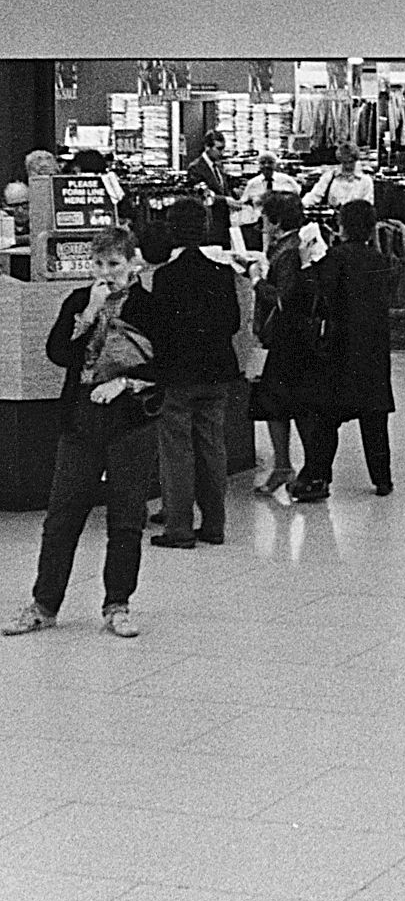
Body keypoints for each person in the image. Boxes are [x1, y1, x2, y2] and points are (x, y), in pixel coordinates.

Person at [4, 226, 162, 639]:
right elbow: (59, 353)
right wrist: (89, 313)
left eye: (114, 264)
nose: (106, 273)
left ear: (133, 263)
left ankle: (117, 604)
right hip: (80, 420)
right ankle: (44, 604)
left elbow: (170, 365)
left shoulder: (151, 307)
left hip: (131, 422)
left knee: (126, 518)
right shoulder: (79, 301)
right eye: (99, 264)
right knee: (62, 516)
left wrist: (127, 382)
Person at [286, 200, 396, 501]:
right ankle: (382, 477)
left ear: (342, 225)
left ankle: (318, 477)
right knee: (375, 419)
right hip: (373, 348)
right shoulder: (379, 258)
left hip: (340, 346)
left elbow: (319, 293)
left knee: (325, 418)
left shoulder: (336, 258)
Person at [148, 198, 241, 546]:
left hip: (177, 374)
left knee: (176, 451)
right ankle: (214, 525)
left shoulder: (165, 277)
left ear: (173, 231)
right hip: (216, 370)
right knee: (212, 446)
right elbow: (232, 322)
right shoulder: (222, 274)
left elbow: (159, 328)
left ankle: (179, 528)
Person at [249, 190, 310, 494]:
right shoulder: (296, 244)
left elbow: (283, 299)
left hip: (285, 338)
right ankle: (286, 466)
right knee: (284, 401)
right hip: (294, 337)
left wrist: (257, 281)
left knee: (276, 402)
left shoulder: (287, 252)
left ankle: (284, 466)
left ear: (275, 220)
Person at [233, 153, 301, 249]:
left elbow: (297, 199)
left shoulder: (287, 180)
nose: (266, 165)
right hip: (262, 225)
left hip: (282, 223)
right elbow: (243, 203)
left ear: (276, 164)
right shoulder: (253, 183)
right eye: (262, 163)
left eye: (270, 162)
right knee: (265, 248)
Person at [304, 147, 374, 211]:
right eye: (344, 162)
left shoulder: (365, 181)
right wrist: (301, 206)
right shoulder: (329, 177)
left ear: (356, 161)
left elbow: (367, 206)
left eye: (351, 162)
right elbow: (314, 195)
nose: (348, 166)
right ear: (340, 161)